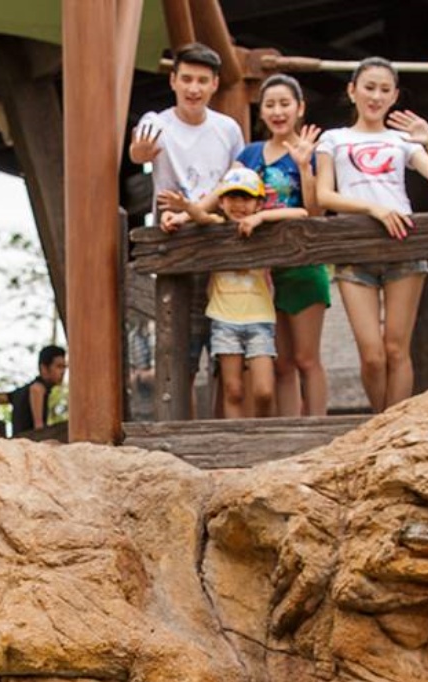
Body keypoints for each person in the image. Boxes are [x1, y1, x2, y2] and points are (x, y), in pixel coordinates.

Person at [315, 57, 428, 413]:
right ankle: (381, 422)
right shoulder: (334, 139)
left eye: (384, 90)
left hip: (402, 245)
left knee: (395, 349)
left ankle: (395, 428)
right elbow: (324, 196)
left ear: (394, 97)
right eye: (369, 87)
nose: (375, 96)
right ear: (352, 90)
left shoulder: (401, 139)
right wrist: (372, 209)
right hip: (355, 249)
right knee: (372, 354)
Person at [132, 42, 245, 410]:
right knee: (179, 351)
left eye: (201, 80)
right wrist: (141, 155)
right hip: (175, 243)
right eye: (186, 79)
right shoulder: (157, 123)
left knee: (226, 351)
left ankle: (221, 435)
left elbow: (235, 180)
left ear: (214, 84)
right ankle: (183, 431)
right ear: (173, 81)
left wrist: (194, 210)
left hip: (219, 239)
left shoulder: (227, 129)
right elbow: (138, 150)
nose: (193, 88)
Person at [159, 165, 309, 417]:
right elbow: (201, 217)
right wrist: (186, 207)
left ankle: (261, 433)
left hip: (260, 318)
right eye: (232, 197)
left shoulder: (264, 231)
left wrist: (260, 218)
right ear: (221, 201)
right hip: (224, 319)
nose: (239, 205)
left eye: (246, 198)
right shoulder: (217, 225)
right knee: (233, 388)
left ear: (259, 203)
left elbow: (302, 213)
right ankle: (234, 434)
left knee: (263, 390)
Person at [231, 74, 330, 416]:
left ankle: (318, 429)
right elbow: (227, 199)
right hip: (260, 271)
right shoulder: (249, 154)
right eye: (270, 105)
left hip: (302, 264)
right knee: (283, 363)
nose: (277, 111)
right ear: (261, 112)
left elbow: (316, 212)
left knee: (306, 357)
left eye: (285, 104)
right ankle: (290, 431)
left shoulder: (314, 154)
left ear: (300, 108)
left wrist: (304, 167)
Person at [0, 345, 67, 441]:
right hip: (28, 443)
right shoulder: (38, 389)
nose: (63, 372)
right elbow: (39, 429)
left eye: (64, 367)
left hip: (18, 443)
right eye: (59, 367)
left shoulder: (21, 392)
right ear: (44, 368)